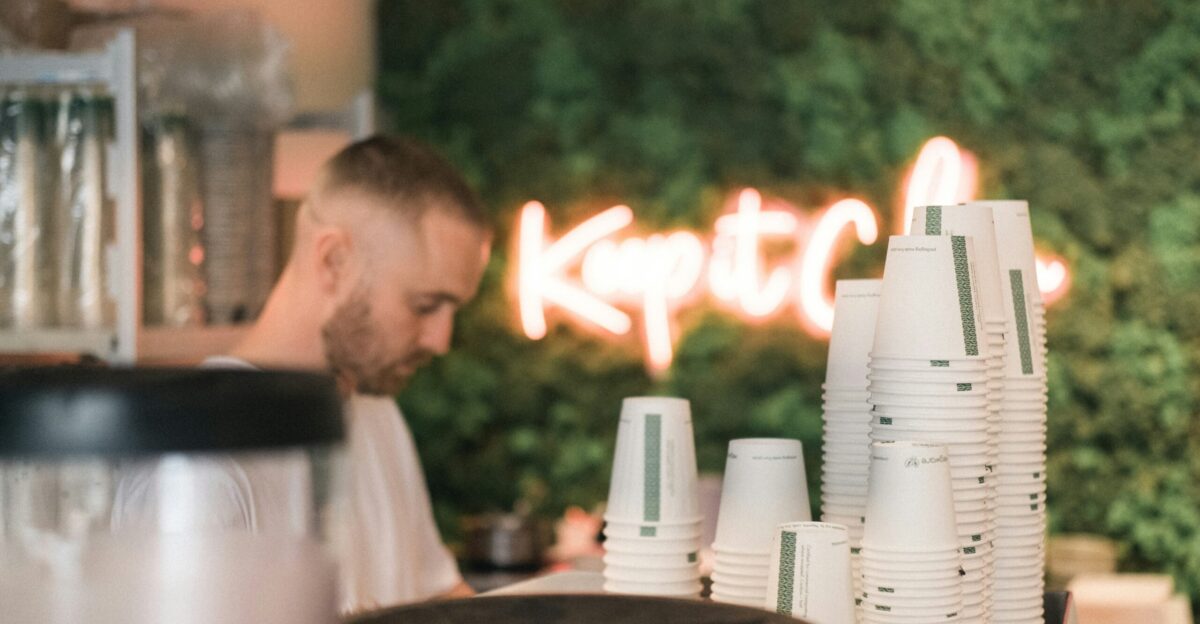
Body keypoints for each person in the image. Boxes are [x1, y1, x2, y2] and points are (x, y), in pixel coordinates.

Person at [112, 135, 491, 613]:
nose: (441, 340)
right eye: (425, 305)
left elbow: (439, 599)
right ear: (333, 261)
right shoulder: (199, 460)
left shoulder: (379, 417)